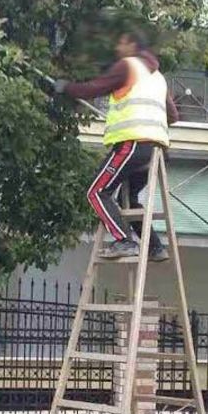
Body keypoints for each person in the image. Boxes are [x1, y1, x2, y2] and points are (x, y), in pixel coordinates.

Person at [55, 30, 179, 260]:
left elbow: (93, 89)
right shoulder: (157, 77)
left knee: (96, 192)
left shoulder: (128, 66)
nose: (117, 48)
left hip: (132, 145)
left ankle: (124, 241)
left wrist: (66, 88)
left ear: (132, 45)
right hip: (156, 152)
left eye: (121, 42)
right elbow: (173, 115)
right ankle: (155, 248)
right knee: (128, 200)